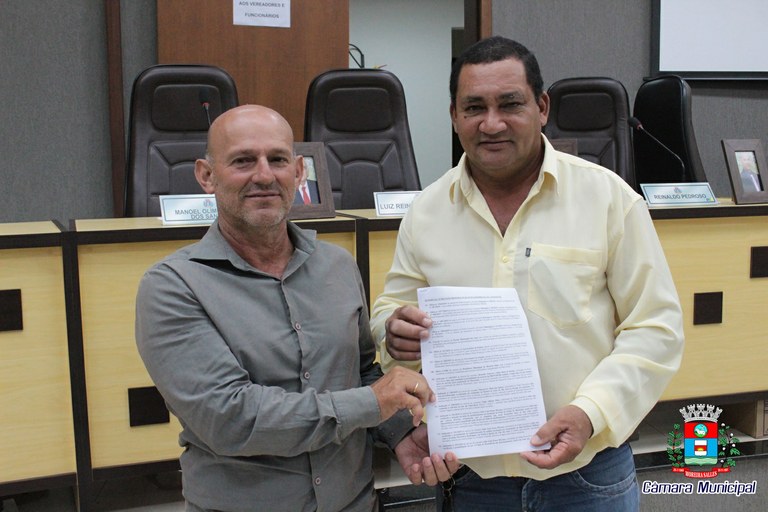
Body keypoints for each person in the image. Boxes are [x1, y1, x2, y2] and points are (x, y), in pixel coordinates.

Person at [370, 36, 685, 511]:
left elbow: (656, 327)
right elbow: (390, 311)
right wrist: (393, 332)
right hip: (469, 477)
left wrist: (590, 412)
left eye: (510, 104)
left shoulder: (609, 200)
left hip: (586, 477)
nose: (491, 123)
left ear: (541, 107)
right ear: (454, 116)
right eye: (474, 107)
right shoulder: (427, 211)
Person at [135, 105, 459, 512]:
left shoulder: (337, 266)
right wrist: (372, 403)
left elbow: (360, 371)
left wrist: (400, 433)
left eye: (278, 160)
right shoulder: (172, 287)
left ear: (300, 171)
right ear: (206, 175)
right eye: (242, 161)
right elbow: (229, 418)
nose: (264, 175)